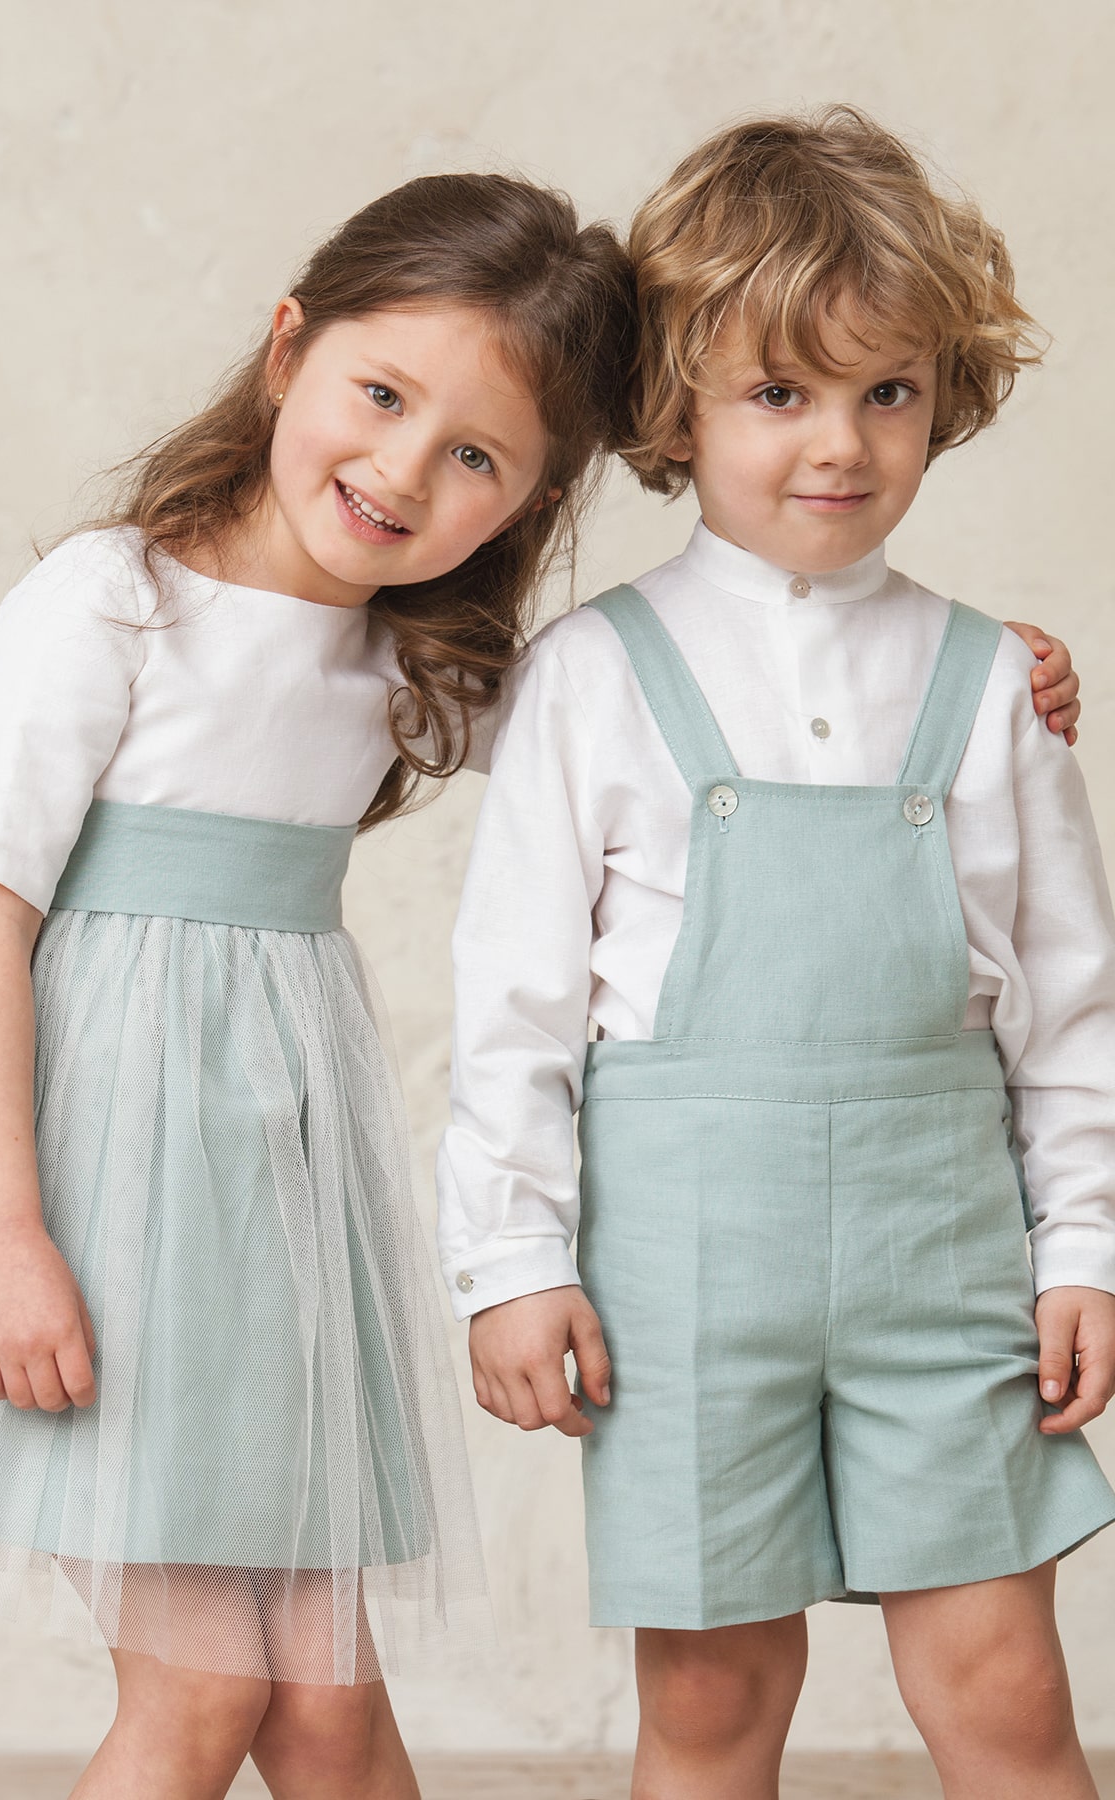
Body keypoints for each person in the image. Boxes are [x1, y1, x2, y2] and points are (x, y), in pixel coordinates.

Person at [0, 172, 635, 1800]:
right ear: (286, 350)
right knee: (205, 1704)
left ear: (526, 501)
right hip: (106, 1193)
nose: (400, 471)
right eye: (381, 398)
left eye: (475, 458)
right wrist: (4, 1237)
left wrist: (942, 665)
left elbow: (665, 718)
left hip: (280, 1210)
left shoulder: (413, 666)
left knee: (321, 1706)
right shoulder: (112, 601)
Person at [439, 108, 1115, 1800]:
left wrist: (1084, 1241)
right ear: (679, 406)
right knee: (715, 1707)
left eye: (887, 390)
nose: (839, 442)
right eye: (779, 393)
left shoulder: (988, 687)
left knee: (1005, 1694)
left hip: (945, 1264)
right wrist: (510, 1261)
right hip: (682, 1282)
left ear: (941, 397)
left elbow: (1071, 1009)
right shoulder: (594, 677)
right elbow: (516, 1001)